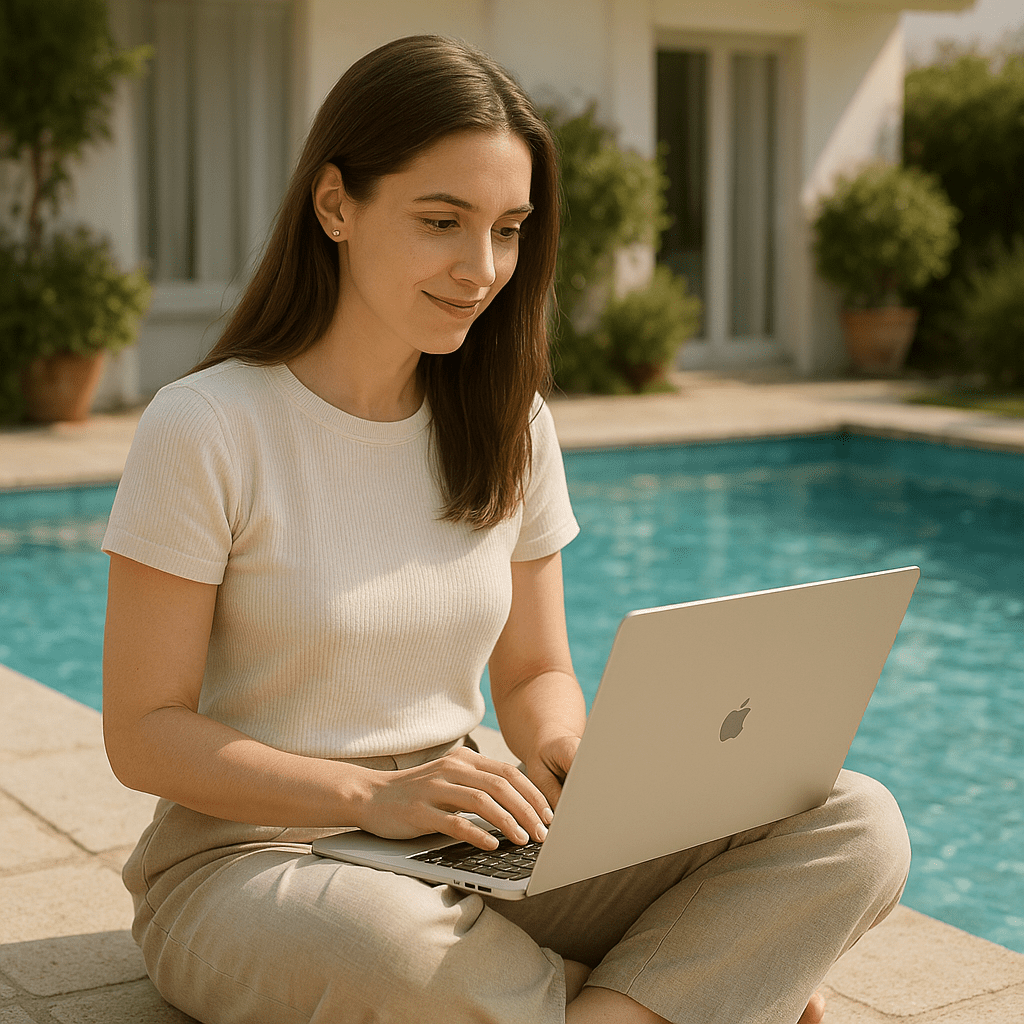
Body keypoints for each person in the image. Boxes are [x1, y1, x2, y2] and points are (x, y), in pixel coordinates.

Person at [102, 34, 911, 1024]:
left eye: (509, 227)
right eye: (441, 221)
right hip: (256, 858)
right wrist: (368, 799)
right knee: (391, 952)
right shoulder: (207, 426)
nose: (480, 268)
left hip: (473, 837)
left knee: (853, 821)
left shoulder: (509, 419)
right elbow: (142, 734)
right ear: (335, 205)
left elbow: (532, 674)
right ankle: (680, 995)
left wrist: (570, 755)